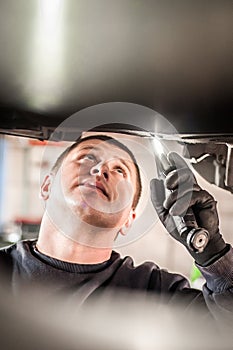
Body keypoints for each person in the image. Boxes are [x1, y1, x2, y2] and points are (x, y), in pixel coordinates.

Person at [0, 134, 232, 323]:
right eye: (87, 157)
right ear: (47, 186)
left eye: (120, 170)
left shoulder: (154, 292)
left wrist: (213, 251)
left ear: (128, 219)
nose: (101, 169)